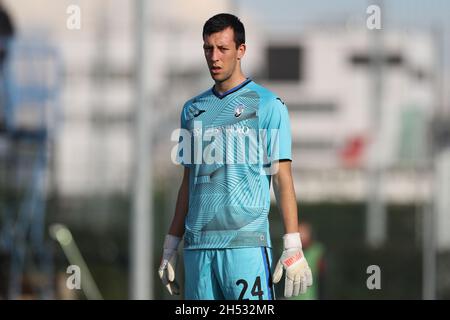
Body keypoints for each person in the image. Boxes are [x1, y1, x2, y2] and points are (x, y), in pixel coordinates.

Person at [158, 13, 312, 300]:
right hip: (198, 248)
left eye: (222, 48)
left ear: (241, 50)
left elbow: (282, 178)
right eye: (208, 48)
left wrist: (292, 244)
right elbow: (188, 182)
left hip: (246, 246)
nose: (214, 57)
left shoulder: (269, 105)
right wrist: (171, 245)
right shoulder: (192, 109)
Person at [290, 222, 326, 300]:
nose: (301, 236)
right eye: (299, 233)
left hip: (310, 296)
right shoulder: (287, 251)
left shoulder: (317, 250)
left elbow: (323, 275)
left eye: (303, 233)